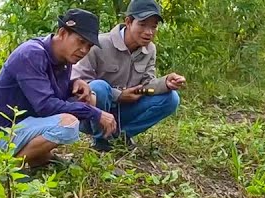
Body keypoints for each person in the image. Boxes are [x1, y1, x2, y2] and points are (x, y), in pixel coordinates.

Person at [0, 10, 118, 167]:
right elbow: (46, 106)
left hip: (28, 125)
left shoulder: (64, 59)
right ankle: (9, 167)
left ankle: (39, 157)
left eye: (89, 46)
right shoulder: (31, 54)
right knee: (68, 124)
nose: (84, 50)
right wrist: (95, 114)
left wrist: (74, 83)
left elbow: (49, 92)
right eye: (80, 41)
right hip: (3, 135)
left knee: (89, 98)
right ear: (62, 33)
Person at [71, 0, 184, 149]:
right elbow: (79, 83)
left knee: (171, 98)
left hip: (124, 111)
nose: (149, 32)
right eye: (142, 24)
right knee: (99, 87)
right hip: (92, 114)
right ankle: (101, 141)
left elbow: (147, 86)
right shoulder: (99, 44)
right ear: (128, 22)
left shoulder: (150, 50)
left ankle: (120, 136)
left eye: (154, 26)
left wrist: (165, 83)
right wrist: (119, 95)